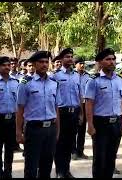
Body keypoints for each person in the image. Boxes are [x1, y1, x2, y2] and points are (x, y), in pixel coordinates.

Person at [16, 51, 60, 178]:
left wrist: (57, 130)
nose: (44, 65)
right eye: (41, 62)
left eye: (46, 62)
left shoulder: (54, 83)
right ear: (34, 64)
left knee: (46, 167)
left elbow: (56, 108)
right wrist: (18, 132)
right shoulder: (26, 84)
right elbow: (20, 109)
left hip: (50, 129)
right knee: (31, 167)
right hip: (34, 129)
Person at [84, 48, 122, 178]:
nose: (111, 62)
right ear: (100, 63)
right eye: (108, 59)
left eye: (113, 59)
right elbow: (89, 104)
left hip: (116, 122)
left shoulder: (119, 80)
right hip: (100, 123)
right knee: (99, 159)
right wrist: (90, 125)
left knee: (111, 158)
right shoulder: (93, 81)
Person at [52, 48, 81, 178]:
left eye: (71, 56)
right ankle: (60, 171)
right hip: (61, 113)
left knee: (70, 144)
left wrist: (81, 114)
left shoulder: (76, 75)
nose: (70, 59)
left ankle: (66, 170)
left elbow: (80, 95)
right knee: (60, 144)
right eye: (67, 57)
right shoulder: (55, 76)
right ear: (61, 59)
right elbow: (53, 98)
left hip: (74, 113)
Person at [72, 57, 90, 160]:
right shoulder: (72, 75)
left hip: (85, 104)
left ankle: (80, 151)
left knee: (82, 129)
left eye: (83, 63)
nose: (82, 65)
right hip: (75, 105)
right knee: (74, 130)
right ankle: (73, 151)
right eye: (80, 63)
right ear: (75, 65)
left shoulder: (88, 76)